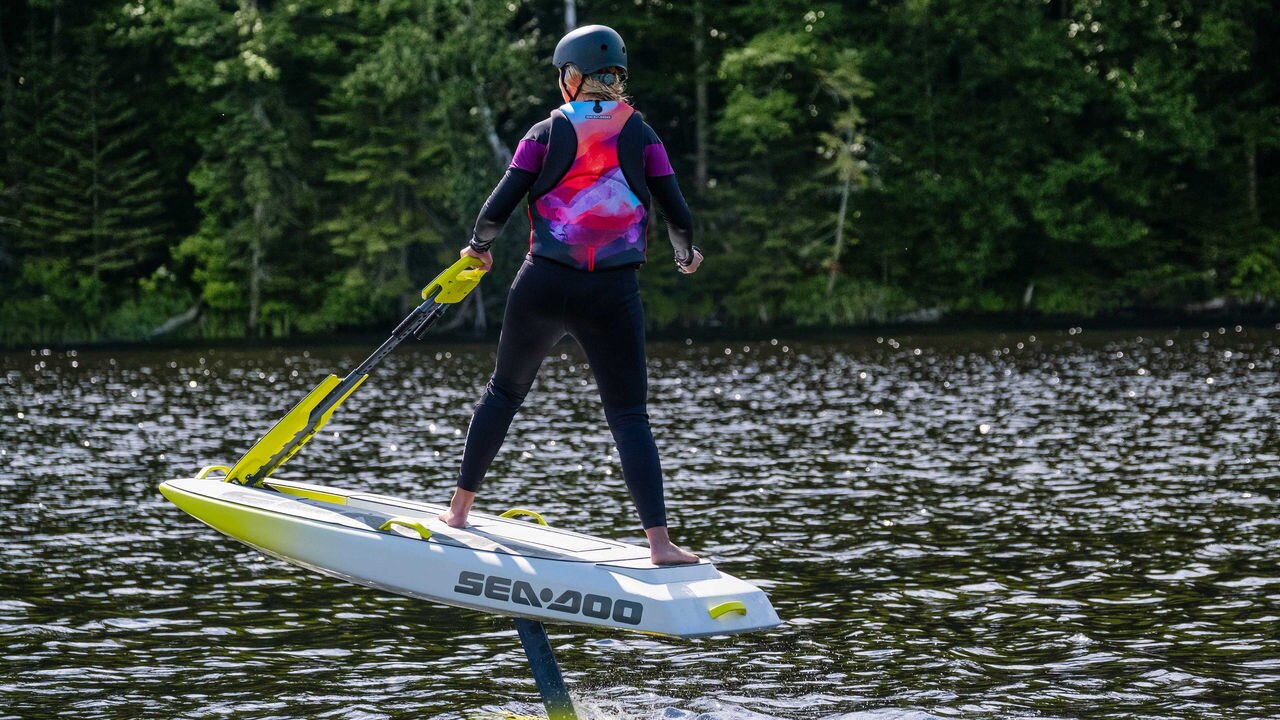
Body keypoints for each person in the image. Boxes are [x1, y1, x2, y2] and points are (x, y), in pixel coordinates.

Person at [437, 24, 704, 566]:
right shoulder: (644, 136)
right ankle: (659, 545)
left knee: (503, 393)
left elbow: (496, 210)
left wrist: (478, 249)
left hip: (543, 284)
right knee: (629, 416)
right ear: (617, 79)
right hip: (612, 294)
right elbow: (678, 214)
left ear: (573, 79)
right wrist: (684, 254)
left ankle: (458, 512)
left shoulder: (543, 133)